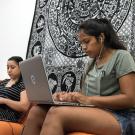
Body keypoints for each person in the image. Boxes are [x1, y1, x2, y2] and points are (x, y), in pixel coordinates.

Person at [21, 18, 135, 135]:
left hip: (121, 116)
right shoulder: (91, 63)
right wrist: (68, 97)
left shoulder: (122, 56)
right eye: (81, 43)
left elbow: (130, 99)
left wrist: (89, 100)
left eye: (86, 41)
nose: (83, 47)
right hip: (95, 110)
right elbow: (85, 95)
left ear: (101, 38)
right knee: (37, 111)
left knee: (56, 114)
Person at [0, 56, 30, 122]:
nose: (9, 70)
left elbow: (24, 106)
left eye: (12, 67)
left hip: (7, 115)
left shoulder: (23, 84)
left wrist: (4, 101)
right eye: (7, 67)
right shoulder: (4, 82)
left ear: (21, 68)